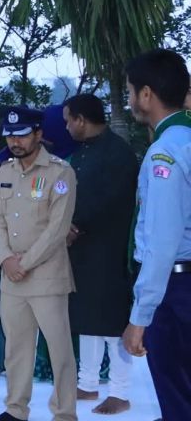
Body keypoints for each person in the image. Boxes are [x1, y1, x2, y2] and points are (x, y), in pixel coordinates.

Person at [0, 106, 78, 421]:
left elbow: (57, 229)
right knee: (16, 348)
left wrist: (23, 263)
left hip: (46, 276)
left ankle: (65, 412)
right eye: (10, 134)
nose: (15, 140)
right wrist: (4, 258)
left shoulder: (59, 172)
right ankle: (15, 409)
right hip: (12, 277)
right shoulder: (6, 171)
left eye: (22, 134)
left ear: (38, 134)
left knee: (59, 349)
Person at [121, 49, 191, 420]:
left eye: (131, 91)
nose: (130, 99)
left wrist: (140, 317)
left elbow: (162, 244)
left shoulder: (165, 152)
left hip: (175, 292)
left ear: (147, 94)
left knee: (178, 400)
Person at [62, 93, 139, 415]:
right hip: (81, 250)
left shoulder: (118, 153)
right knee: (86, 319)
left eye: (68, 120)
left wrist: (77, 225)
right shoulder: (80, 154)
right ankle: (88, 384)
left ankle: (119, 392)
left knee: (111, 322)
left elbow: (112, 200)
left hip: (109, 249)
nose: (66, 127)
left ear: (81, 119)